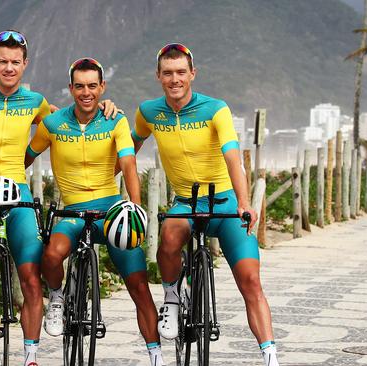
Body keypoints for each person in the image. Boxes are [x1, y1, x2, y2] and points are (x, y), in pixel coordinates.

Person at [0, 31, 119, 366]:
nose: (9, 68)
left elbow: (65, 119)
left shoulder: (36, 102)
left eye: (15, 62)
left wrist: (105, 107)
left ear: (25, 65)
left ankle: (31, 356)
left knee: (30, 275)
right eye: (3, 62)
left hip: (18, 195)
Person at [131, 43, 280, 366]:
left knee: (251, 281)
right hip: (186, 202)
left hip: (225, 203)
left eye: (181, 72)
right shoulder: (148, 112)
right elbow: (127, 147)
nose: (175, 79)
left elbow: (232, 156)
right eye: (168, 73)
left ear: (192, 74)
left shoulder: (216, 109)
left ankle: (270, 356)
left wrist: (243, 202)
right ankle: (172, 297)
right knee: (168, 238)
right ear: (158, 76)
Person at [25, 58, 165, 366]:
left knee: (139, 286)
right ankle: (58, 297)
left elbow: (129, 164)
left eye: (92, 86)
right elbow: (25, 157)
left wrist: (135, 206)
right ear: (70, 88)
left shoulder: (116, 120)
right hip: (72, 213)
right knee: (50, 255)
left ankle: (156, 355)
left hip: (111, 212)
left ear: (102, 87)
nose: (86, 92)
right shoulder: (52, 124)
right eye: (79, 86)